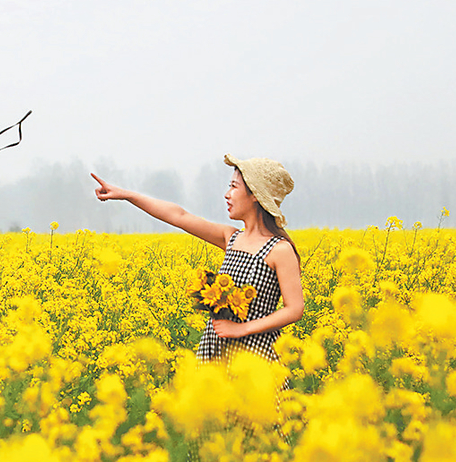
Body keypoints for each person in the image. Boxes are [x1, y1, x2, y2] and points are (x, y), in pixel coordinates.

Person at [91, 154, 303, 367]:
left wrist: (242, 329)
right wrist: (126, 195)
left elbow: (294, 309)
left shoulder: (279, 250)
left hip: (254, 358)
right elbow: (179, 216)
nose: (227, 195)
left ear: (256, 194)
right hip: (215, 350)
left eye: (234, 187)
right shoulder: (232, 238)